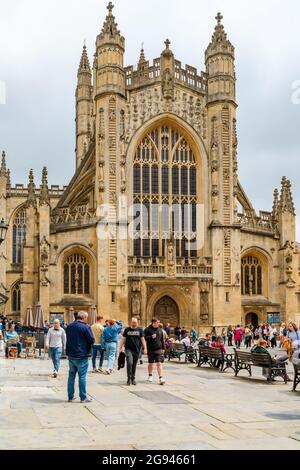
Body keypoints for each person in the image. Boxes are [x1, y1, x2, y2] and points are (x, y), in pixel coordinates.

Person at [66, 311, 95, 403]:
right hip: (81, 355)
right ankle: (83, 397)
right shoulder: (86, 327)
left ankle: (70, 396)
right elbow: (91, 340)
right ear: (84, 318)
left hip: (71, 354)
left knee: (71, 376)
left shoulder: (69, 326)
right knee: (82, 377)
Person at [120, 317, 147, 386]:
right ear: (130, 322)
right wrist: (120, 347)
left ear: (137, 322)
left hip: (137, 350)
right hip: (128, 349)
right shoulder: (127, 329)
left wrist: (145, 348)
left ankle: (133, 378)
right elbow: (123, 338)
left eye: (135, 322)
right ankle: (128, 378)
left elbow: (143, 339)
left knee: (134, 365)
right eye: (133, 322)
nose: (134, 323)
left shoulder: (140, 329)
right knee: (129, 363)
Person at [144, 318, 166, 385]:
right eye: (157, 322)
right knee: (150, 363)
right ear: (153, 323)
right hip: (150, 349)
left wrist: (163, 348)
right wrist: (151, 337)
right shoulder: (147, 329)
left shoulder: (160, 330)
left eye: (159, 322)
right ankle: (150, 375)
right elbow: (143, 338)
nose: (158, 323)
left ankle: (161, 377)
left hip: (158, 349)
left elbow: (162, 340)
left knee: (159, 363)